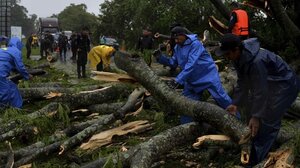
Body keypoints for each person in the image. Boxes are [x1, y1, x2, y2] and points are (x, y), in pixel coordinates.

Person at [215, 33, 300, 166]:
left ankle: (256, 161)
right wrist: (235, 103)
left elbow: (261, 90)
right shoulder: (238, 58)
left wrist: (256, 116)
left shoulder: (256, 61)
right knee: (250, 105)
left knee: (267, 120)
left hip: (285, 85)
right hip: (271, 84)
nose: (227, 58)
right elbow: (243, 81)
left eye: (227, 54)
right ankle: (252, 142)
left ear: (236, 49)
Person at [153, 26, 236, 124]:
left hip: (207, 75)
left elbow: (191, 64)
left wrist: (177, 80)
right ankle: (187, 128)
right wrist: (161, 58)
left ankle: (238, 122)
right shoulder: (177, 47)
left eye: (177, 38)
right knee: (186, 105)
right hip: (192, 80)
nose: (176, 41)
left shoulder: (195, 44)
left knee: (222, 98)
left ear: (183, 35)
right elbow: (173, 62)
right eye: (174, 39)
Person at [0, 37, 32, 109]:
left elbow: (7, 63)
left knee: (12, 87)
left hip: (1, 74)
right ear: (18, 44)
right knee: (5, 92)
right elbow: (20, 67)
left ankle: (16, 107)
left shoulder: (4, 49)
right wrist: (27, 76)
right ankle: (3, 109)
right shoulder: (16, 51)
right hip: (0, 74)